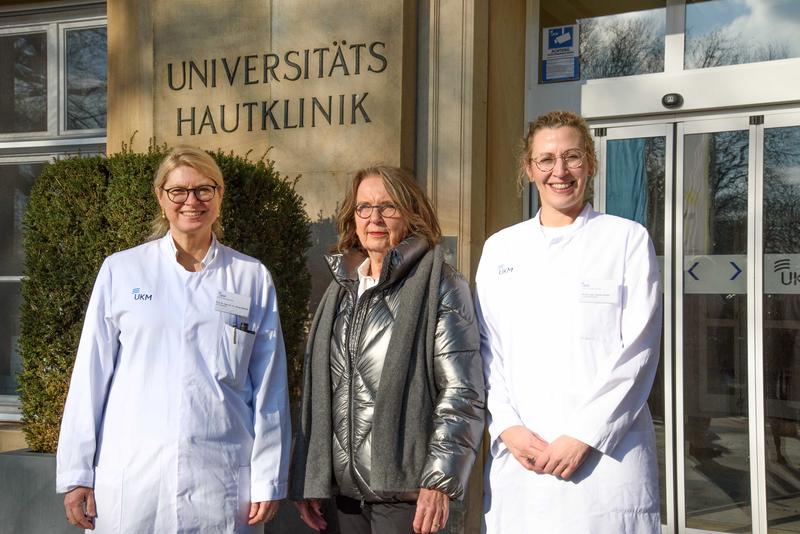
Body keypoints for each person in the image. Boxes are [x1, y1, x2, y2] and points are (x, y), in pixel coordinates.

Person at [56, 146, 292, 532]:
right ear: (160, 197)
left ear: (220, 196)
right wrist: (77, 472)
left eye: (204, 189)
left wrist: (268, 475)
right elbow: (90, 376)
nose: (191, 201)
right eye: (178, 191)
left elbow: (270, 385)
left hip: (222, 479)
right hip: (134, 476)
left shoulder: (250, 277)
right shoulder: (123, 271)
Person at [476, 110, 662, 533]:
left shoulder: (626, 240)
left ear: (591, 165)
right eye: (546, 159)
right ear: (529, 169)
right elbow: (488, 350)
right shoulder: (501, 249)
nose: (559, 171)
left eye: (573, 157)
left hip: (605, 464)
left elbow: (640, 351)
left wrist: (584, 435)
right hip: (523, 465)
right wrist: (507, 426)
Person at [290, 165, 485, 534]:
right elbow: (322, 391)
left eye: (388, 207)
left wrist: (439, 479)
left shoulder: (441, 285)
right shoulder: (342, 289)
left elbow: (462, 391)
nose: (374, 218)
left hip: (406, 496)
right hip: (344, 496)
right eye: (364, 207)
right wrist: (308, 474)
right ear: (353, 217)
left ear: (411, 213)